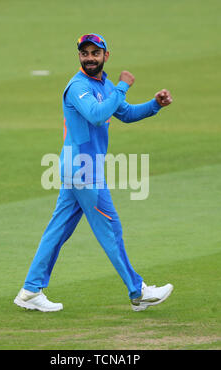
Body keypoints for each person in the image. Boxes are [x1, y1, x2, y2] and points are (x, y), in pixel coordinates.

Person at [14, 33, 173, 312]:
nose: (89, 58)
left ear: (105, 56)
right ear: (79, 56)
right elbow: (98, 114)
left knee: (57, 230)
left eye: (94, 53)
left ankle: (30, 290)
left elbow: (125, 113)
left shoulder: (104, 84)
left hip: (78, 168)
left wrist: (154, 105)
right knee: (110, 229)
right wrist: (123, 86)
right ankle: (138, 291)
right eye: (84, 53)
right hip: (83, 169)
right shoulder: (78, 87)